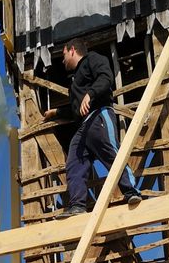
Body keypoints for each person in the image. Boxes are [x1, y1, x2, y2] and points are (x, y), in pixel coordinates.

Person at [45, 37, 142, 217]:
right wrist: (56, 112)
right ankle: (77, 205)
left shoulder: (93, 59)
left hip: (99, 115)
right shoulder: (74, 81)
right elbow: (76, 110)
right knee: (74, 162)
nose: (62, 60)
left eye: (64, 55)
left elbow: (106, 77)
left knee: (110, 151)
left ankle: (131, 191)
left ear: (72, 50)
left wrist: (91, 94)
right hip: (83, 126)